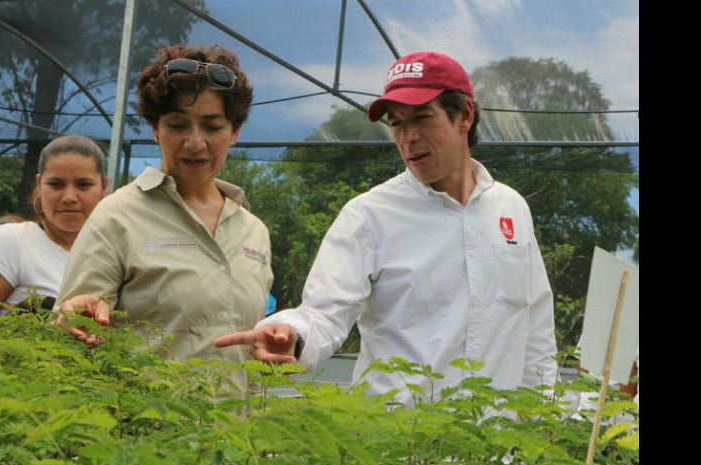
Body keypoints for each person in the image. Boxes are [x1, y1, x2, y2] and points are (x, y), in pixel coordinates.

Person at [215, 51, 558, 405]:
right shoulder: (368, 216)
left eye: (422, 118)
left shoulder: (511, 209)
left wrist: (547, 413)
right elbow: (323, 313)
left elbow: (535, 327)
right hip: (400, 435)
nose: (408, 137)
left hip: (501, 435)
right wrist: (294, 336)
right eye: (396, 123)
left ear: (465, 116)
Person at [54, 45, 273, 389]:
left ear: (235, 132)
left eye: (212, 126)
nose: (195, 142)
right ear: (156, 129)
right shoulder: (118, 217)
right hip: (142, 421)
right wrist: (72, 319)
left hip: (237, 423)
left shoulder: (253, 231)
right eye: (178, 124)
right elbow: (67, 345)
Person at [0, 135, 109, 317]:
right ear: (39, 184)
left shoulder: (114, 252)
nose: (69, 197)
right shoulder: (12, 241)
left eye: (83, 185)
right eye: (56, 184)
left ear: (104, 187)